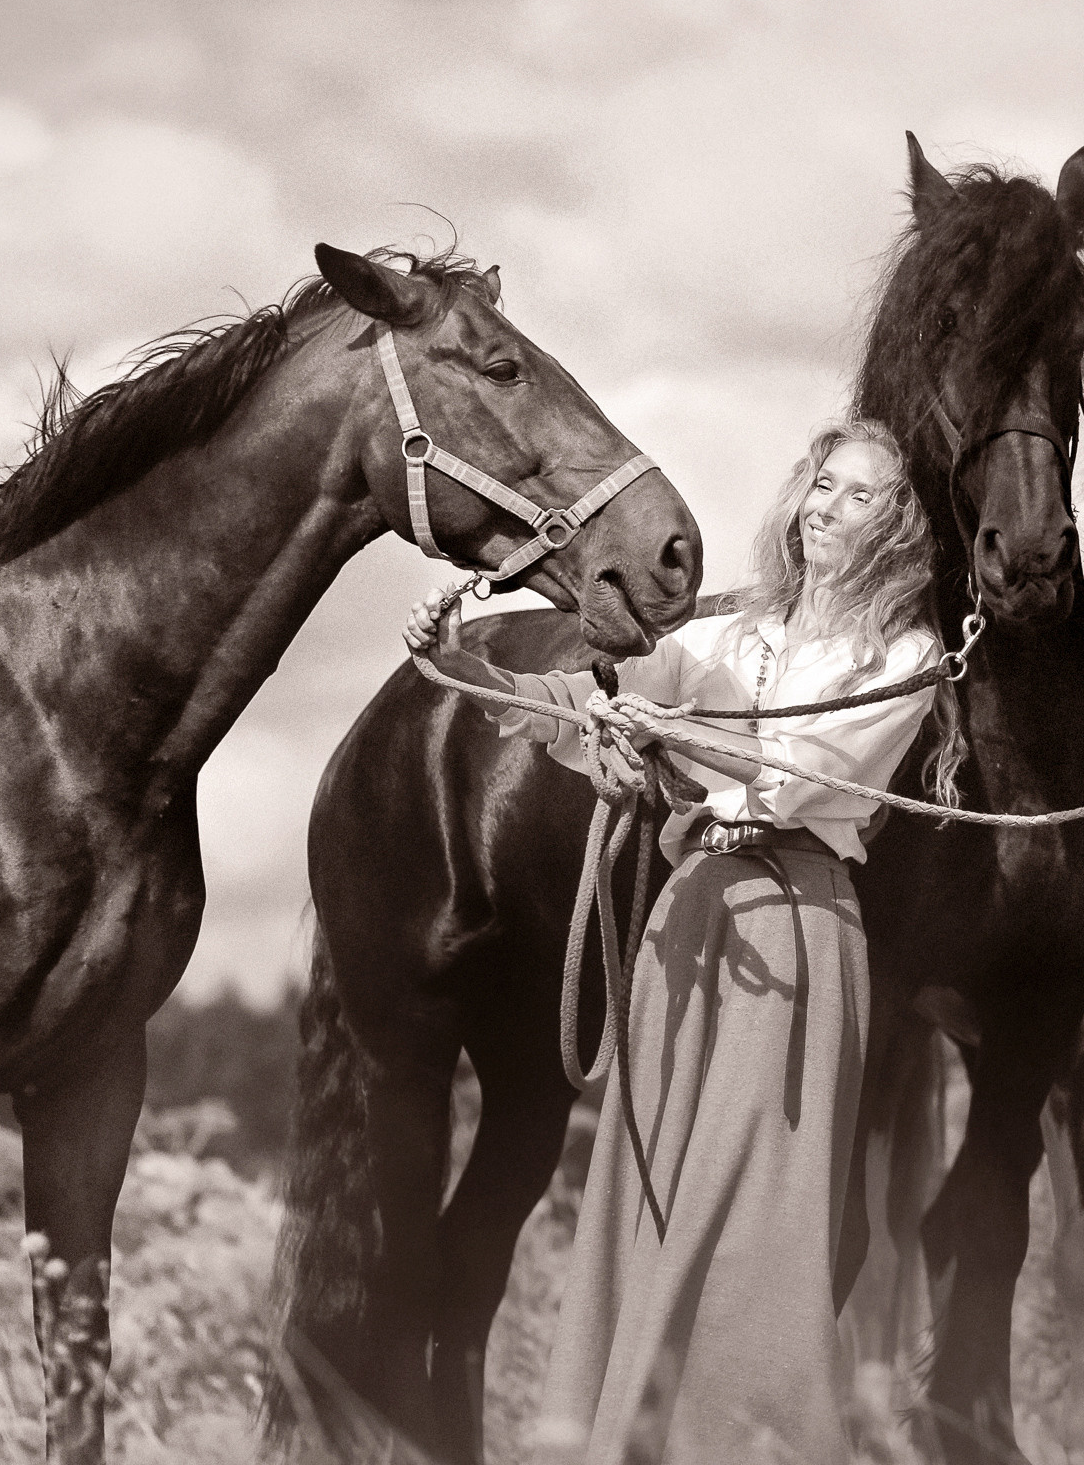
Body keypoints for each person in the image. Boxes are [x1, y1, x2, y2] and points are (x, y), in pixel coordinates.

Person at [403, 416, 959, 1463]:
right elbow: (598, 702)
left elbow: (802, 776)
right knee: (652, 1189)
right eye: (822, 485)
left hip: (794, 928)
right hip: (691, 916)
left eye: (862, 496)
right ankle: (635, 1435)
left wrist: (667, 735)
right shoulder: (728, 635)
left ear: (900, 527)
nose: (828, 509)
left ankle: (758, 1441)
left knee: (758, 1206)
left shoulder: (908, 656)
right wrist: (468, 664)